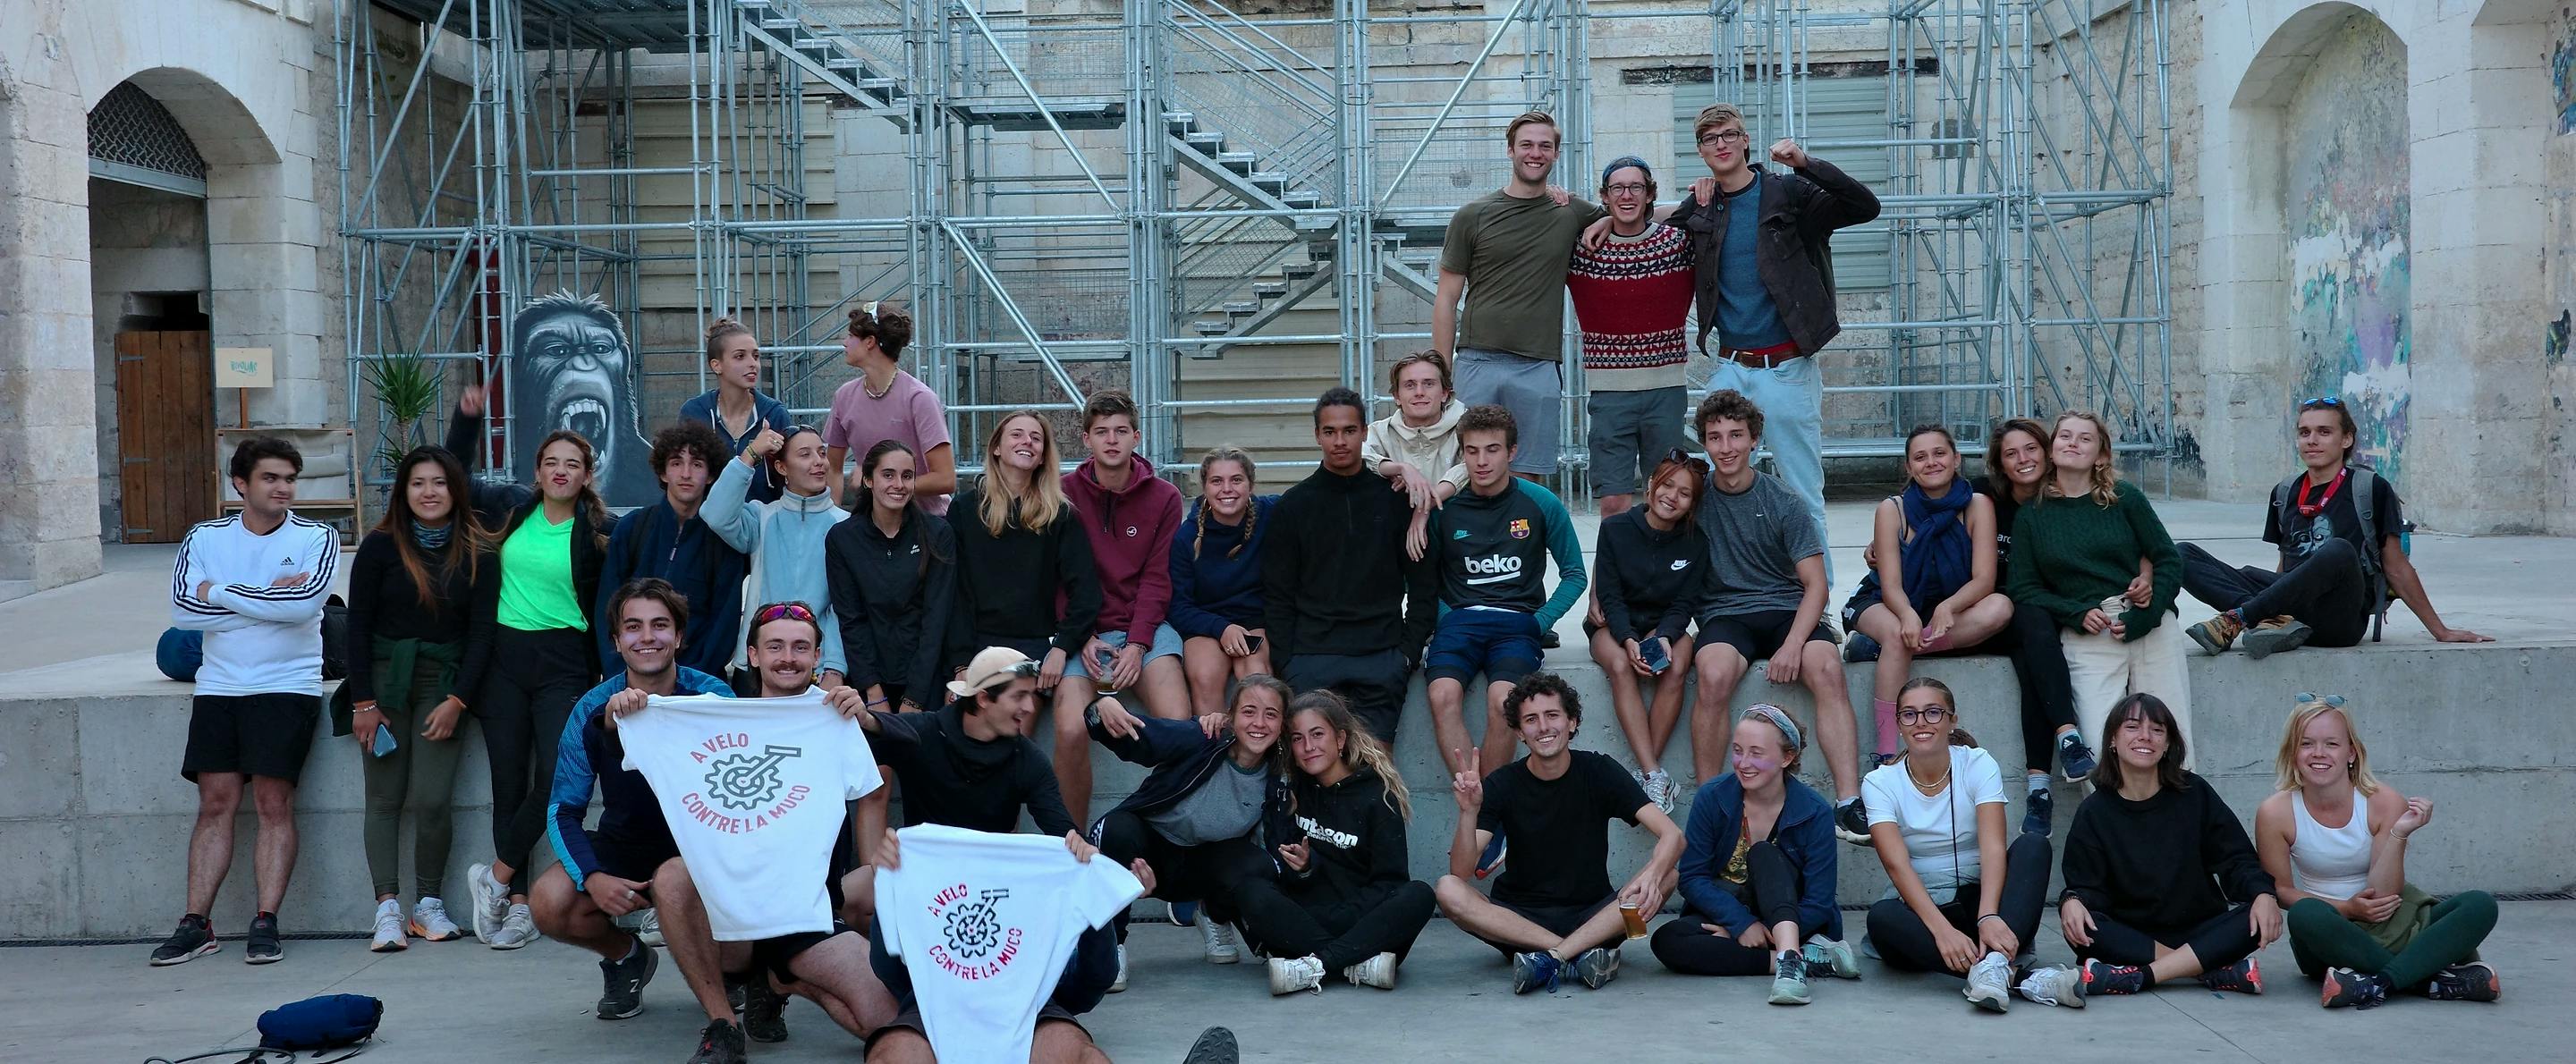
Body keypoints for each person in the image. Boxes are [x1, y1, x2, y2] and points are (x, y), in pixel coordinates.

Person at [633, 601, 901, 1064]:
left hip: (804, 912)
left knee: (885, 1021)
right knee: (674, 876)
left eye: (801, 648)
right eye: (774, 646)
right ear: (752, 656)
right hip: (730, 918)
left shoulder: (834, 716)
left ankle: (781, 980)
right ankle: (723, 1024)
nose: (788, 657)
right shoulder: (712, 718)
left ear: (818, 657)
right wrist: (626, 707)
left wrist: (868, 718)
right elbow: (624, 730)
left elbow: (898, 760)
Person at [1654, 102, 1881, 566]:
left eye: (1729, 134)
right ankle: (1729, 589)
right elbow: (1642, 221)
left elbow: (1865, 206)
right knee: (1711, 484)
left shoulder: (1788, 193)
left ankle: (1819, 604)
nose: (1721, 143)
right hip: (1731, 369)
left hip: (1787, 369)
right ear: (1700, 150)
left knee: (1801, 490)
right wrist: (1596, 218)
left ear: (1745, 141)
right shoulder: (1704, 207)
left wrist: (1806, 163)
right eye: (1710, 138)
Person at [154, 436, 340, 967]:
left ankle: (266, 922)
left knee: (273, 805)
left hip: (287, 686)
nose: (283, 488)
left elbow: (305, 608)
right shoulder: (205, 537)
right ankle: (196, 924)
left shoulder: (317, 536)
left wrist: (220, 591)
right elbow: (183, 612)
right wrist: (268, 599)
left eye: (289, 479)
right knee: (215, 805)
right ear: (241, 484)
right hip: (220, 688)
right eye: (271, 478)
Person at [527, 579, 733, 1036]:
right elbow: (563, 809)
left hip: (702, 851)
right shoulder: (591, 708)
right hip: (627, 844)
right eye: (633, 627)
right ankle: (627, 957)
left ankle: (734, 974)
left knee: (722, 929)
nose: (648, 637)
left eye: (660, 625)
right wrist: (592, 877)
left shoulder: (714, 696)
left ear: (679, 637)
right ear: (618, 641)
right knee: (549, 902)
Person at [451, 400, 614, 951]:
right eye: (551, 462)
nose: (560, 470)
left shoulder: (598, 531)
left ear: (587, 474)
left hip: (564, 663)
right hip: (503, 660)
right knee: (507, 781)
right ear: (538, 471)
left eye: (572, 462)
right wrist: (469, 420)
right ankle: (518, 907)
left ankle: (493, 877)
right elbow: (452, 473)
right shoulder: (508, 509)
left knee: (554, 782)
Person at [1686, 390, 1868, 843]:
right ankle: (1713, 800)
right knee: (1711, 673)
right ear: (1703, 444)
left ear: (1754, 440)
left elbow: (1817, 585)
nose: (1726, 447)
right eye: (1714, 437)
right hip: (1725, 612)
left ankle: (1848, 801)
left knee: (1825, 666)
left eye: (1736, 436)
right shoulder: (1693, 498)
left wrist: (1792, 645)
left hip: (1788, 607)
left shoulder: (1783, 499)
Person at [2182, 398, 2492, 658]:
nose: (2312, 440)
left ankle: (2238, 618)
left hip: (2340, 618)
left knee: (2339, 551)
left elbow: (2396, 566)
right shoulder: (2284, 491)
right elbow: (2285, 563)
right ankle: (2273, 621)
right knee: (2182, 554)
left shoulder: (2370, 488)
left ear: (2346, 439)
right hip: (2294, 611)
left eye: (2324, 432)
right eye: (2304, 432)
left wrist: (2440, 631)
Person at [1434, 674, 1683, 995]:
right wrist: (1468, 813)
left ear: (1572, 722)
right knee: (1447, 889)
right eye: (1531, 720)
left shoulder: (1598, 770)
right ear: (1519, 732)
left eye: (1552, 715)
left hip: (1594, 915)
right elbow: (1462, 872)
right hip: (1520, 926)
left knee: (1667, 876)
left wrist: (1652, 875)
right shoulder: (1502, 783)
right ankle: (1574, 956)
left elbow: (1673, 835)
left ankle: (1551, 959)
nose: (1543, 727)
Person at [343, 444, 496, 951]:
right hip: (385, 684)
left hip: (442, 684)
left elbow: (481, 636)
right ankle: (386, 907)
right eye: (417, 484)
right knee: (384, 799)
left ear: (455, 490)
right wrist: (363, 703)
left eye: (439, 483)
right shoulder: (380, 547)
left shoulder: (477, 550)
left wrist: (460, 700)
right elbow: (357, 628)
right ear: (403, 492)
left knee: (433, 798)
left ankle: (427, 903)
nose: (429, 493)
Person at [2254, 695, 2500, 1009]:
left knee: (2479, 904)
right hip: (2330, 932)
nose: (2319, 753)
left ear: (2351, 753)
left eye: (2332, 744)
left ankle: (2376, 983)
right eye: (2306, 744)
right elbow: (2281, 891)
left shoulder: (2383, 800)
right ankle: (2430, 975)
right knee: (2304, 915)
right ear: (2292, 752)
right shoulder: (2275, 812)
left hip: (2392, 919)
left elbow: (2386, 892)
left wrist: (2399, 833)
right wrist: (2347, 909)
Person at [1917, 417, 2097, 835]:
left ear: (2047, 451)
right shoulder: (1983, 496)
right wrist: (1884, 543)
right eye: (2011, 453)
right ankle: (2065, 741)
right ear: (1999, 462)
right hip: (1984, 610)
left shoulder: (2061, 501)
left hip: (2033, 614)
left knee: (2031, 649)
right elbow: (1927, 505)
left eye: (2031, 449)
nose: (2023, 459)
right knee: (2030, 627)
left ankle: (2039, 788)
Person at [2038, 693, 2279, 998]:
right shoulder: (2095, 812)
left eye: (2157, 729)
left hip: (2200, 927)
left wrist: (2262, 893)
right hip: (2134, 935)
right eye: (2133, 727)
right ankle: (2207, 969)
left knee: (2253, 916)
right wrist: (2071, 900)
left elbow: (2236, 859)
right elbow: (2086, 886)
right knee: (2082, 926)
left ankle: (2138, 977)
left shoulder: (2195, 793)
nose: (2145, 737)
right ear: (2112, 740)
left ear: (2167, 745)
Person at [834, 646, 1081, 928]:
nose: (1029, 707)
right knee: (845, 898)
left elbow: (1062, 831)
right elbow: (881, 730)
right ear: (984, 698)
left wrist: (1083, 847)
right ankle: (894, 966)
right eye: (1019, 696)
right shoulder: (928, 732)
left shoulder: (1028, 759)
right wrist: (862, 717)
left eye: (1031, 695)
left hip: (990, 886)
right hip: (918, 872)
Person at [1860, 680, 2061, 1011]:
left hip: (1984, 905)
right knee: (1882, 917)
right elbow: (1897, 865)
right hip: (1924, 914)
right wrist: (1941, 931)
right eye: (1909, 715)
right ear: (1898, 725)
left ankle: (1993, 962)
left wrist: (1988, 916)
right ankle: (2018, 978)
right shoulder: (1879, 782)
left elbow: (1994, 846)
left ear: (1952, 720)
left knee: (2033, 846)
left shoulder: (1978, 763)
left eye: (1933, 712)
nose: (1921, 722)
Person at [2004, 411, 2190, 761]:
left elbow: (2167, 559)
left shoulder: (2125, 498)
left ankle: (2178, 814)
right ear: (2052, 447)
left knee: (2172, 740)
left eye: (2085, 438)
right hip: (2089, 630)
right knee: (2095, 747)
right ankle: (2112, 815)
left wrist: (2146, 614)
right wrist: (2074, 612)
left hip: (2147, 621)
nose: (2073, 443)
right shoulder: (2033, 515)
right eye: (2065, 436)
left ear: (2101, 455)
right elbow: (2024, 588)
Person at [1430, 111, 1606, 481]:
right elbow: (1446, 299)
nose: (1535, 153)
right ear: (1510, 150)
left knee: (1528, 479)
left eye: (1545, 146)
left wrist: (1604, 218)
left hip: (1538, 366)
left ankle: (1522, 543)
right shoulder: (1472, 215)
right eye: (1526, 144)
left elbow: (1634, 214)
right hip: (1477, 363)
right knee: (1467, 474)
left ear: (1556, 154)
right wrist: (1441, 373)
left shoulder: (1571, 211)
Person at [1086, 675, 1291, 990]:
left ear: (1282, 725)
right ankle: (1111, 946)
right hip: (1148, 855)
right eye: (1249, 711)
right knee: (1118, 829)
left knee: (1258, 865)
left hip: (1202, 866)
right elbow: (1144, 737)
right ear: (1231, 716)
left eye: (1271, 714)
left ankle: (1213, 914)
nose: (1259, 723)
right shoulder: (1203, 738)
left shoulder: (1279, 777)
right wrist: (1101, 709)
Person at [1648, 705, 1859, 1006]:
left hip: (1794, 918)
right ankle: (1800, 960)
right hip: (1731, 909)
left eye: (1756, 753)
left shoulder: (1815, 812)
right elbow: (1693, 878)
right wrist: (1740, 925)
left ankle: (1789, 958)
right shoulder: (1713, 796)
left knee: (1763, 854)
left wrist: (1756, 929)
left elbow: (1819, 902)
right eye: (1737, 750)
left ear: (1788, 757)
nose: (1743, 763)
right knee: (1667, 941)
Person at [1262, 387, 1437, 746]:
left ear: (1364, 433)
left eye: (1349, 431)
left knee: (1377, 778)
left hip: (1381, 657)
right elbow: (1277, 595)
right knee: (1311, 774)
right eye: (1330, 432)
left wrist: (1406, 655)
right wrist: (1288, 662)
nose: (1339, 441)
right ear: (1317, 436)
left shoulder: (1395, 501)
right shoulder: (1292, 507)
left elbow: (1423, 583)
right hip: (1311, 658)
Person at [1231, 690, 1436, 995]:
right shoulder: (1290, 788)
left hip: (1362, 925)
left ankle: (1315, 964)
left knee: (1419, 895)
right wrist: (1304, 870)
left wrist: (1341, 921)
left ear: (1340, 739)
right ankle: (1356, 966)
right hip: (1310, 919)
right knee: (1249, 888)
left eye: (1317, 735)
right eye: (1298, 738)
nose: (1308, 747)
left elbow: (1389, 884)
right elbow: (1282, 871)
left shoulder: (1377, 797)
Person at [1423, 404, 1588, 779]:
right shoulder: (1443, 508)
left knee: (1503, 702)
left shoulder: (1540, 502)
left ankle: (1489, 807)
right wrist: (1446, 617)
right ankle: (1475, 797)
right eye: (1472, 451)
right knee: (1441, 696)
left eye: (1492, 449)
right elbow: (1416, 580)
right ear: (1461, 453)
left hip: (1517, 625)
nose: (1481, 461)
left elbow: (1575, 574)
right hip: (1458, 623)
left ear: (1512, 452)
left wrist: (1539, 621)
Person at [1843, 426, 2013, 768]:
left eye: (1939, 453)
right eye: (1920, 457)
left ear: (1956, 459)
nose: (1931, 462)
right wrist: (1907, 615)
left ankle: (1882, 649)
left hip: (1946, 609)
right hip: (1885, 600)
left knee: (2001, 607)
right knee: (1895, 633)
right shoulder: (1893, 509)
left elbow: (1984, 579)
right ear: (1908, 467)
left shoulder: (1978, 506)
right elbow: (1890, 585)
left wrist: (1948, 606)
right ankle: (1887, 753)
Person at [1056, 391, 1191, 822]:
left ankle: (1168, 843)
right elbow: (1058, 579)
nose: (1111, 441)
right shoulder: (1063, 494)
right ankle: (1072, 844)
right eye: (1101, 432)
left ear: (1136, 436)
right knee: (1070, 728)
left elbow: (1158, 578)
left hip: (1145, 627)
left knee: (1179, 728)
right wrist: (1082, 637)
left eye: (1120, 432)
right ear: (1086, 440)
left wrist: (1137, 643)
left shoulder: (1166, 497)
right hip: (1084, 632)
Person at [1566, 156, 1692, 518]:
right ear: (1604, 196)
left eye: (1635, 187)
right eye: (1617, 188)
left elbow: (1709, 205)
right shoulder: (1583, 249)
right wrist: (1592, 214)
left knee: (1666, 496)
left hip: (1665, 390)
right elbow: (1547, 209)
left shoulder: (1678, 244)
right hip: (1609, 393)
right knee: (1613, 500)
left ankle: (1663, 572)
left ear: (1650, 193)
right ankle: (1612, 575)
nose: (1626, 195)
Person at [950, 410, 1101, 714]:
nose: (1027, 442)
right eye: (1017, 434)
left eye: (1036, 438)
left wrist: (1061, 647)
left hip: (1034, 645)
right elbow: (955, 594)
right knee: (963, 722)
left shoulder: (1059, 514)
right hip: (977, 642)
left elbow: (1086, 592)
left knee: (1015, 718)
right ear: (996, 447)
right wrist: (960, 664)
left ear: (1043, 455)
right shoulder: (964, 510)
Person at [1587, 452, 1709, 813]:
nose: (1672, 496)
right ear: (1652, 483)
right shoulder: (1615, 529)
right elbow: (1609, 595)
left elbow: (1685, 603)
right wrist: (1628, 639)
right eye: (1668, 484)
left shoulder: (1695, 542)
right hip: (1614, 624)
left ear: (1692, 505)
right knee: (1622, 667)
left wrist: (1663, 636)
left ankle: (1648, 774)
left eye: (1684, 493)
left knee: (1676, 664)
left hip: (1664, 626)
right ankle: (1654, 773)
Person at [705, 423, 851, 691]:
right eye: (805, 454)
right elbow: (715, 514)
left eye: (821, 453)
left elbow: (846, 607)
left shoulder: (846, 526)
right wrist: (751, 453)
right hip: (757, 666)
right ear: (782, 468)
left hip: (818, 669)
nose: (819, 462)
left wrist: (835, 666)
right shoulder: (761, 516)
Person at [599, 421, 750, 676]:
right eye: (676, 463)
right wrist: (620, 675)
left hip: (697, 685)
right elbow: (608, 607)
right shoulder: (632, 528)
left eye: (697, 464)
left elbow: (724, 621)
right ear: (663, 472)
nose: (686, 473)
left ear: (711, 475)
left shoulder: (722, 539)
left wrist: (691, 679)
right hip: (631, 681)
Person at [1168, 447, 1275, 714]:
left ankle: (1262, 752)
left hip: (1254, 621)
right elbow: (1178, 607)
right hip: (1205, 621)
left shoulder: (1270, 515)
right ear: (1204, 487)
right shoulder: (1187, 537)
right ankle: (1212, 753)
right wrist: (1221, 628)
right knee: (1205, 675)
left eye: (1236, 480)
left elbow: (1309, 500)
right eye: (1217, 481)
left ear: (1251, 485)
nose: (1227, 489)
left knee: (1256, 676)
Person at [823, 305, 954, 514]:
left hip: (925, 523)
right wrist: (832, 519)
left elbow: (946, 479)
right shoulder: (844, 396)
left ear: (870, 342)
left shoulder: (919, 398)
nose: (845, 343)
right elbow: (833, 468)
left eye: (850, 336)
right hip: (870, 523)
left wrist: (883, 486)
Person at [1362, 350, 1468, 561]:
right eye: (1410, 385)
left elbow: (1472, 466)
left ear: (1445, 393)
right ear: (1397, 396)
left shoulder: (1467, 427)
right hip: (1394, 541)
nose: (1419, 392)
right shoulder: (1381, 432)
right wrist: (1398, 468)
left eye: (1428, 384)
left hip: (1459, 537)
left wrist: (1424, 506)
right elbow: (1355, 452)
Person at [679, 317, 794, 504]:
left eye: (755, 356)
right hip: (706, 524)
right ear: (716, 365)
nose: (753, 364)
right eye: (740, 356)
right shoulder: (694, 413)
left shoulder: (774, 414)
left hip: (762, 524)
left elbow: (790, 479)